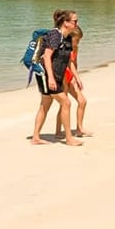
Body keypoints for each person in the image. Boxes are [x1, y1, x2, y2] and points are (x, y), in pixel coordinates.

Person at [31, 9, 83, 146]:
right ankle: (68, 138)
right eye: (75, 21)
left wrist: (76, 78)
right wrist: (51, 78)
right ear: (66, 23)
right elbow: (47, 56)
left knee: (45, 105)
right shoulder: (55, 35)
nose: (77, 23)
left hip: (56, 75)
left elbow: (69, 61)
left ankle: (36, 137)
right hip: (47, 75)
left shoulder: (67, 37)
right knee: (66, 103)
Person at [54, 24, 93, 139]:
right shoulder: (65, 47)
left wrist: (76, 78)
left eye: (79, 40)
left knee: (82, 101)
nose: (78, 42)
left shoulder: (75, 48)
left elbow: (75, 63)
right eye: (77, 40)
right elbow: (64, 64)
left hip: (71, 78)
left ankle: (79, 129)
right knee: (64, 105)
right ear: (70, 38)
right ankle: (57, 131)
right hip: (63, 78)